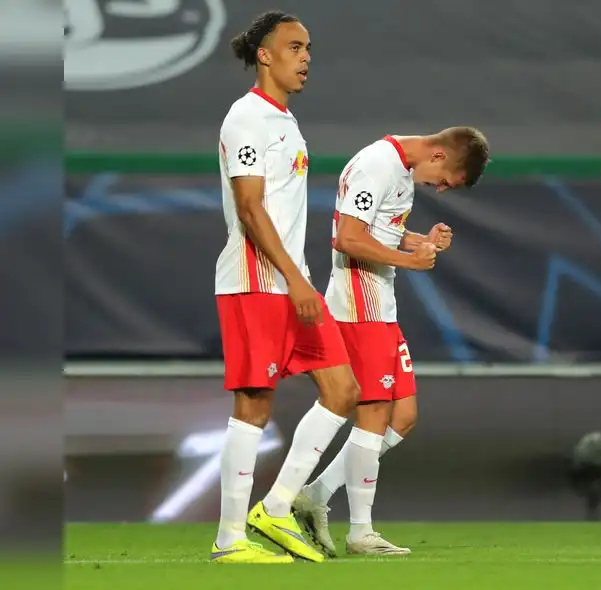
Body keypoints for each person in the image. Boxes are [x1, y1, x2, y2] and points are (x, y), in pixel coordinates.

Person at [292, 128, 490, 556]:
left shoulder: (400, 170)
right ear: (438, 154)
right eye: (445, 180)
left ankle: (315, 495)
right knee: (375, 412)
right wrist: (410, 261)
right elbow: (346, 237)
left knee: (403, 416)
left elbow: (377, 231)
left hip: (382, 303)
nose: (438, 188)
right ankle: (360, 532)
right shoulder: (376, 165)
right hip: (359, 302)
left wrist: (419, 240)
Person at [211, 11, 360, 564]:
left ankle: (274, 509)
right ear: (265, 55)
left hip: (292, 282)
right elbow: (249, 207)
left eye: (309, 48)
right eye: (294, 47)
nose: (306, 57)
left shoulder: (287, 123)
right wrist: (297, 278)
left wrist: (299, 279)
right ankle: (229, 541)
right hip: (257, 280)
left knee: (342, 390)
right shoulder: (246, 117)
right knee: (253, 404)